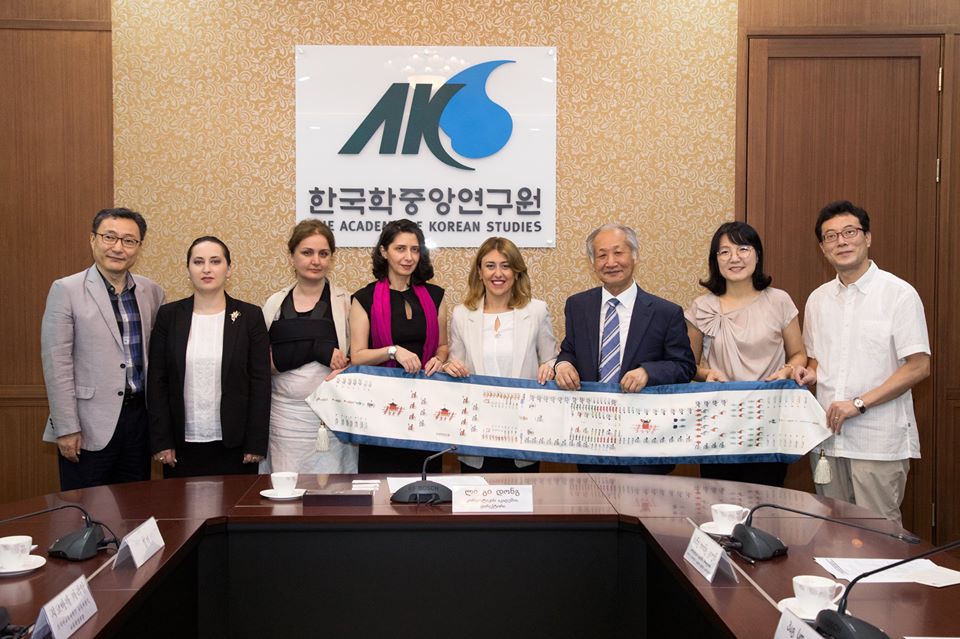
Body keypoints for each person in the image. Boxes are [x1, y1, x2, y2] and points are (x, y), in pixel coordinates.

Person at [794, 201, 930, 525]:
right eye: (831, 236)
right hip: (828, 440)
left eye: (850, 232)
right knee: (831, 532)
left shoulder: (899, 294)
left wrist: (858, 403)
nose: (841, 241)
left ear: (867, 237)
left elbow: (919, 365)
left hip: (877, 442)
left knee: (879, 536)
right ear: (822, 248)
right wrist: (808, 373)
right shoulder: (817, 300)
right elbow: (817, 361)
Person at [555, 223, 696, 474]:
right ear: (592, 262)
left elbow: (685, 367)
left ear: (634, 256)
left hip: (645, 443)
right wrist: (563, 364)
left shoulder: (666, 312)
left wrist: (648, 372)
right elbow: (570, 350)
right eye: (602, 255)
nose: (610, 262)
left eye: (618, 252)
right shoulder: (577, 306)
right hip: (591, 442)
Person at [41, 208, 165, 490]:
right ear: (93, 239)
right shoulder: (66, 290)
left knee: (134, 505)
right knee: (87, 507)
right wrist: (66, 428)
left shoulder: (152, 292)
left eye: (129, 241)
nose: (118, 248)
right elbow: (57, 364)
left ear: (139, 247)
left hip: (139, 421)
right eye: (110, 237)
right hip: (87, 426)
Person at [685, 221, 806, 487]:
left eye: (743, 249)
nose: (734, 258)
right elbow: (687, 366)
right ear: (715, 260)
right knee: (718, 501)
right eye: (724, 251)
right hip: (718, 424)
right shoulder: (702, 306)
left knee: (766, 499)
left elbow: (799, 354)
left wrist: (787, 371)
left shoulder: (779, 300)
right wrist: (706, 374)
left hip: (769, 422)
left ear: (757, 255)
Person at [148, 237, 271, 477]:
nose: (206, 269)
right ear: (188, 269)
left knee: (235, 502)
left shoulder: (249, 316)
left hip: (236, 445)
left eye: (215, 261)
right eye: (198, 262)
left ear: (229, 269)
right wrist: (162, 440)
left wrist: (256, 442)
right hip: (180, 445)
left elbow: (261, 382)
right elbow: (157, 381)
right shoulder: (169, 316)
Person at [444, 237, 558, 473]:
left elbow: (551, 359)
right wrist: (449, 368)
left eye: (506, 266)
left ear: (516, 272)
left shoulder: (536, 311)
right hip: (476, 434)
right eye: (490, 266)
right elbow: (456, 363)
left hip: (523, 432)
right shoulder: (462, 314)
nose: (498, 273)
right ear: (479, 272)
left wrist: (550, 367)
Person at [349, 219, 449, 473]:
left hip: (426, 409)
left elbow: (443, 346)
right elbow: (357, 356)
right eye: (400, 249)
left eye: (414, 250)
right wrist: (392, 351)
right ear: (384, 251)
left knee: (427, 484)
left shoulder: (436, 296)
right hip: (380, 410)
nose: (408, 257)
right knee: (381, 486)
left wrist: (439, 359)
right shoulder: (364, 298)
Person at [260, 220, 356, 474]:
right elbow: (262, 363)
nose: (316, 261)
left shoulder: (347, 303)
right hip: (284, 421)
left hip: (332, 419)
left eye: (323, 254)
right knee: (286, 488)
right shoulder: (274, 304)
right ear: (291, 256)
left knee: (334, 491)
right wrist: (316, 349)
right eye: (307, 252)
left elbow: (356, 359)